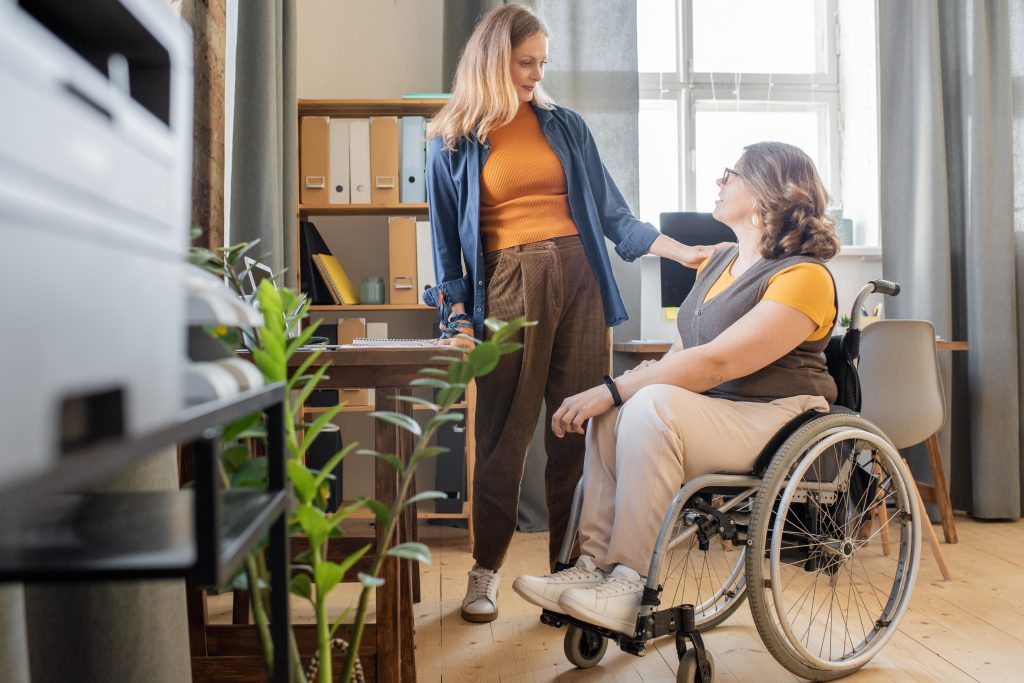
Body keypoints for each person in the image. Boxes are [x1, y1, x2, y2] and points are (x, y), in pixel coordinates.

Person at [422, 3, 721, 624]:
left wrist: (680, 249)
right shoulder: (452, 139)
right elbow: (448, 248)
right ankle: (485, 571)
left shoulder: (565, 126)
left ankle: (567, 575)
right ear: (491, 60)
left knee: (579, 433)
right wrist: (457, 319)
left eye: (541, 64)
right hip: (509, 285)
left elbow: (615, 216)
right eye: (525, 62)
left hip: (583, 279)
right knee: (502, 438)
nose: (535, 75)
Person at [512, 141, 841, 635]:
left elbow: (718, 362)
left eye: (731, 173)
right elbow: (680, 356)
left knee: (649, 402)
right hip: (717, 413)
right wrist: (615, 392)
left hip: (777, 415)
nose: (719, 181)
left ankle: (630, 581)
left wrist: (619, 389)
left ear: (765, 192)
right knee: (619, 407)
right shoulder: (720, 260)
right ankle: (594, 568)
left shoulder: (805, 276)